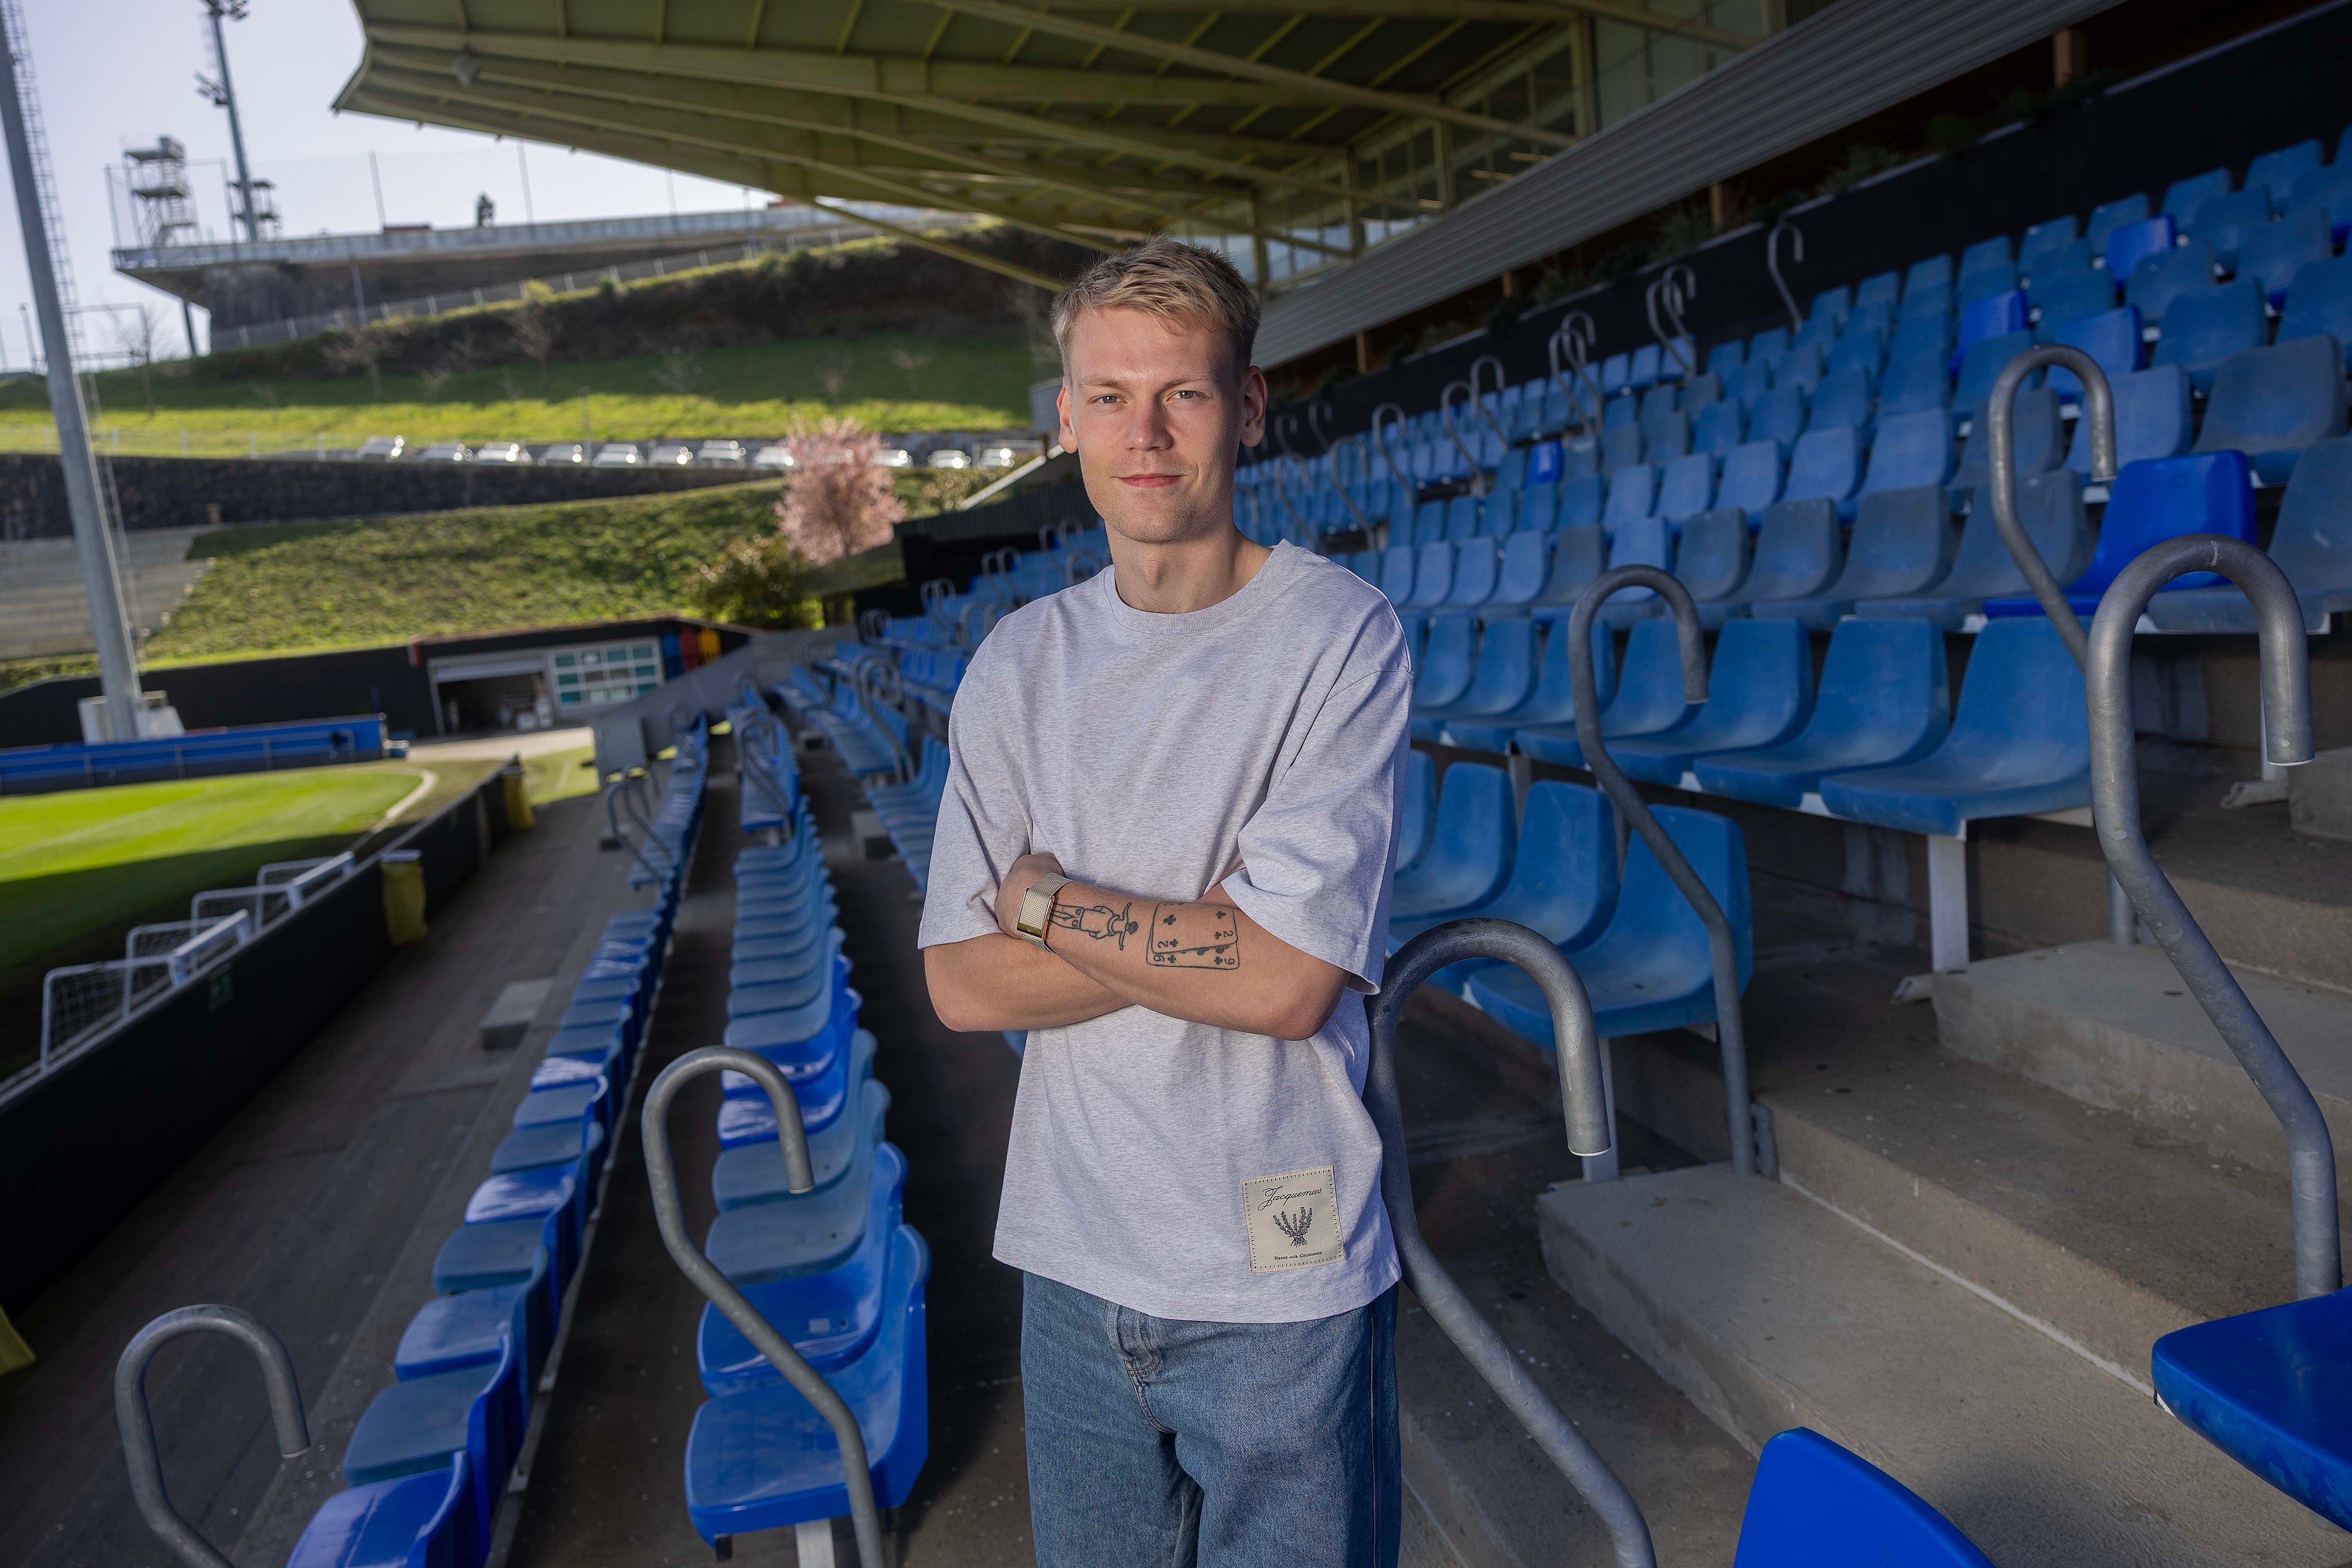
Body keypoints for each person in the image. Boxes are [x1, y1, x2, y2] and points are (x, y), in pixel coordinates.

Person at [918, 237, 1414, 1568]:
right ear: (1067, 417)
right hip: (1072, 1264)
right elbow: (960, 985)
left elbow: (1284, 987)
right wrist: (1216, 932)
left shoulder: (1339, 637)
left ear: (1244, 409)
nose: (1143, 433)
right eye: (1106, 396)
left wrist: (1045, 904)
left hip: (1278, 1270)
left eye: (1183, 394)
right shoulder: (1018, 665)